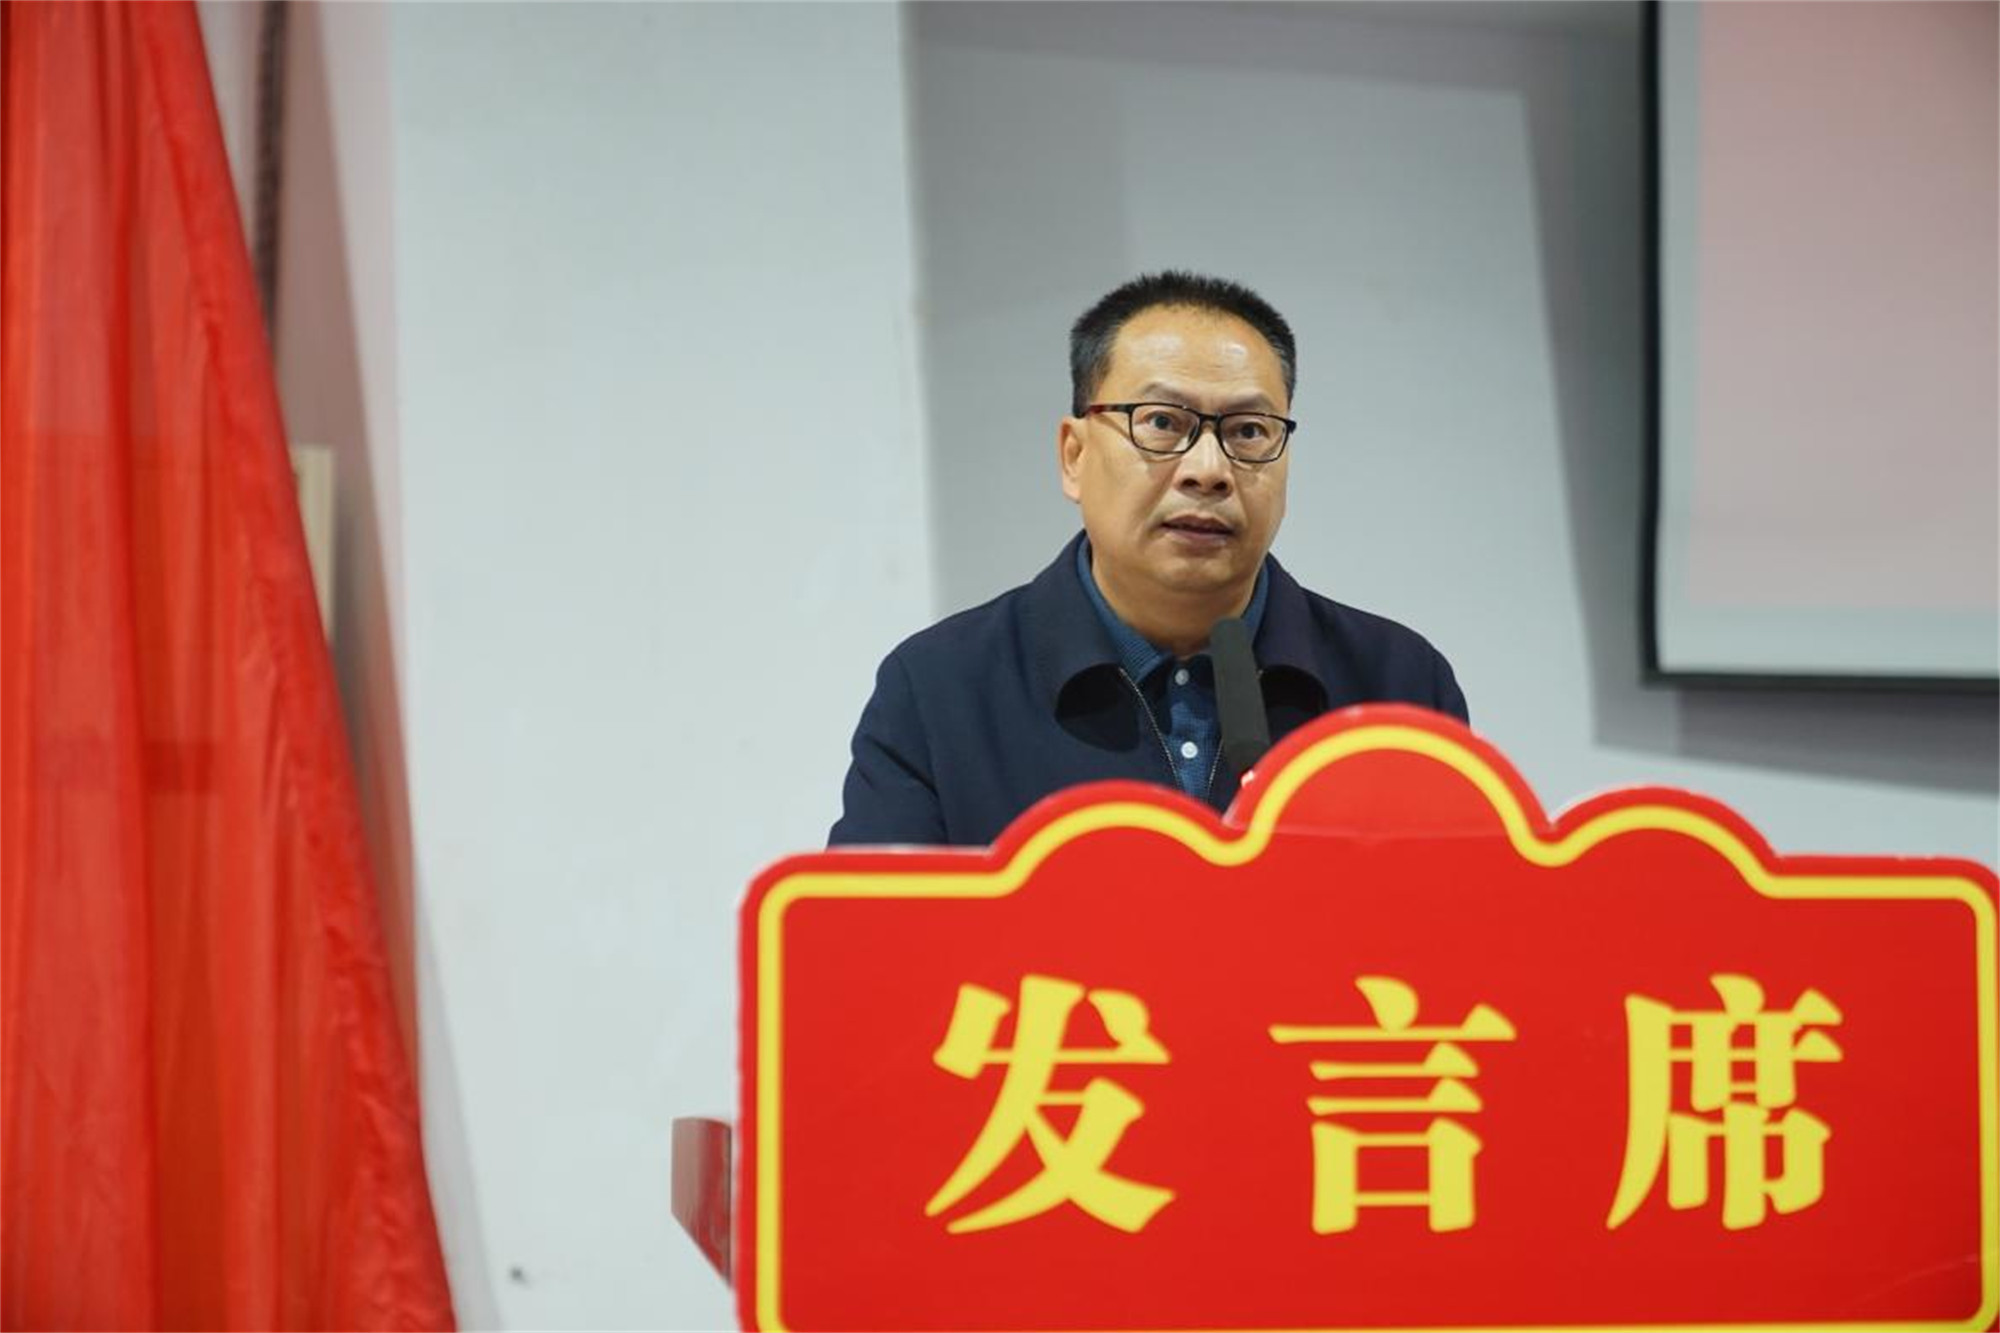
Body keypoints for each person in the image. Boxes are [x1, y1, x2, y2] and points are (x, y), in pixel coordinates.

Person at [829, 271, 1466, 847]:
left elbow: (1462, 924)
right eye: (1161, 423)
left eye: (1249, 431)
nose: (1209, 470)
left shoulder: (1397, 687)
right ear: (1074, 455)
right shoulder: (940, 689)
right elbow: (876, 934)